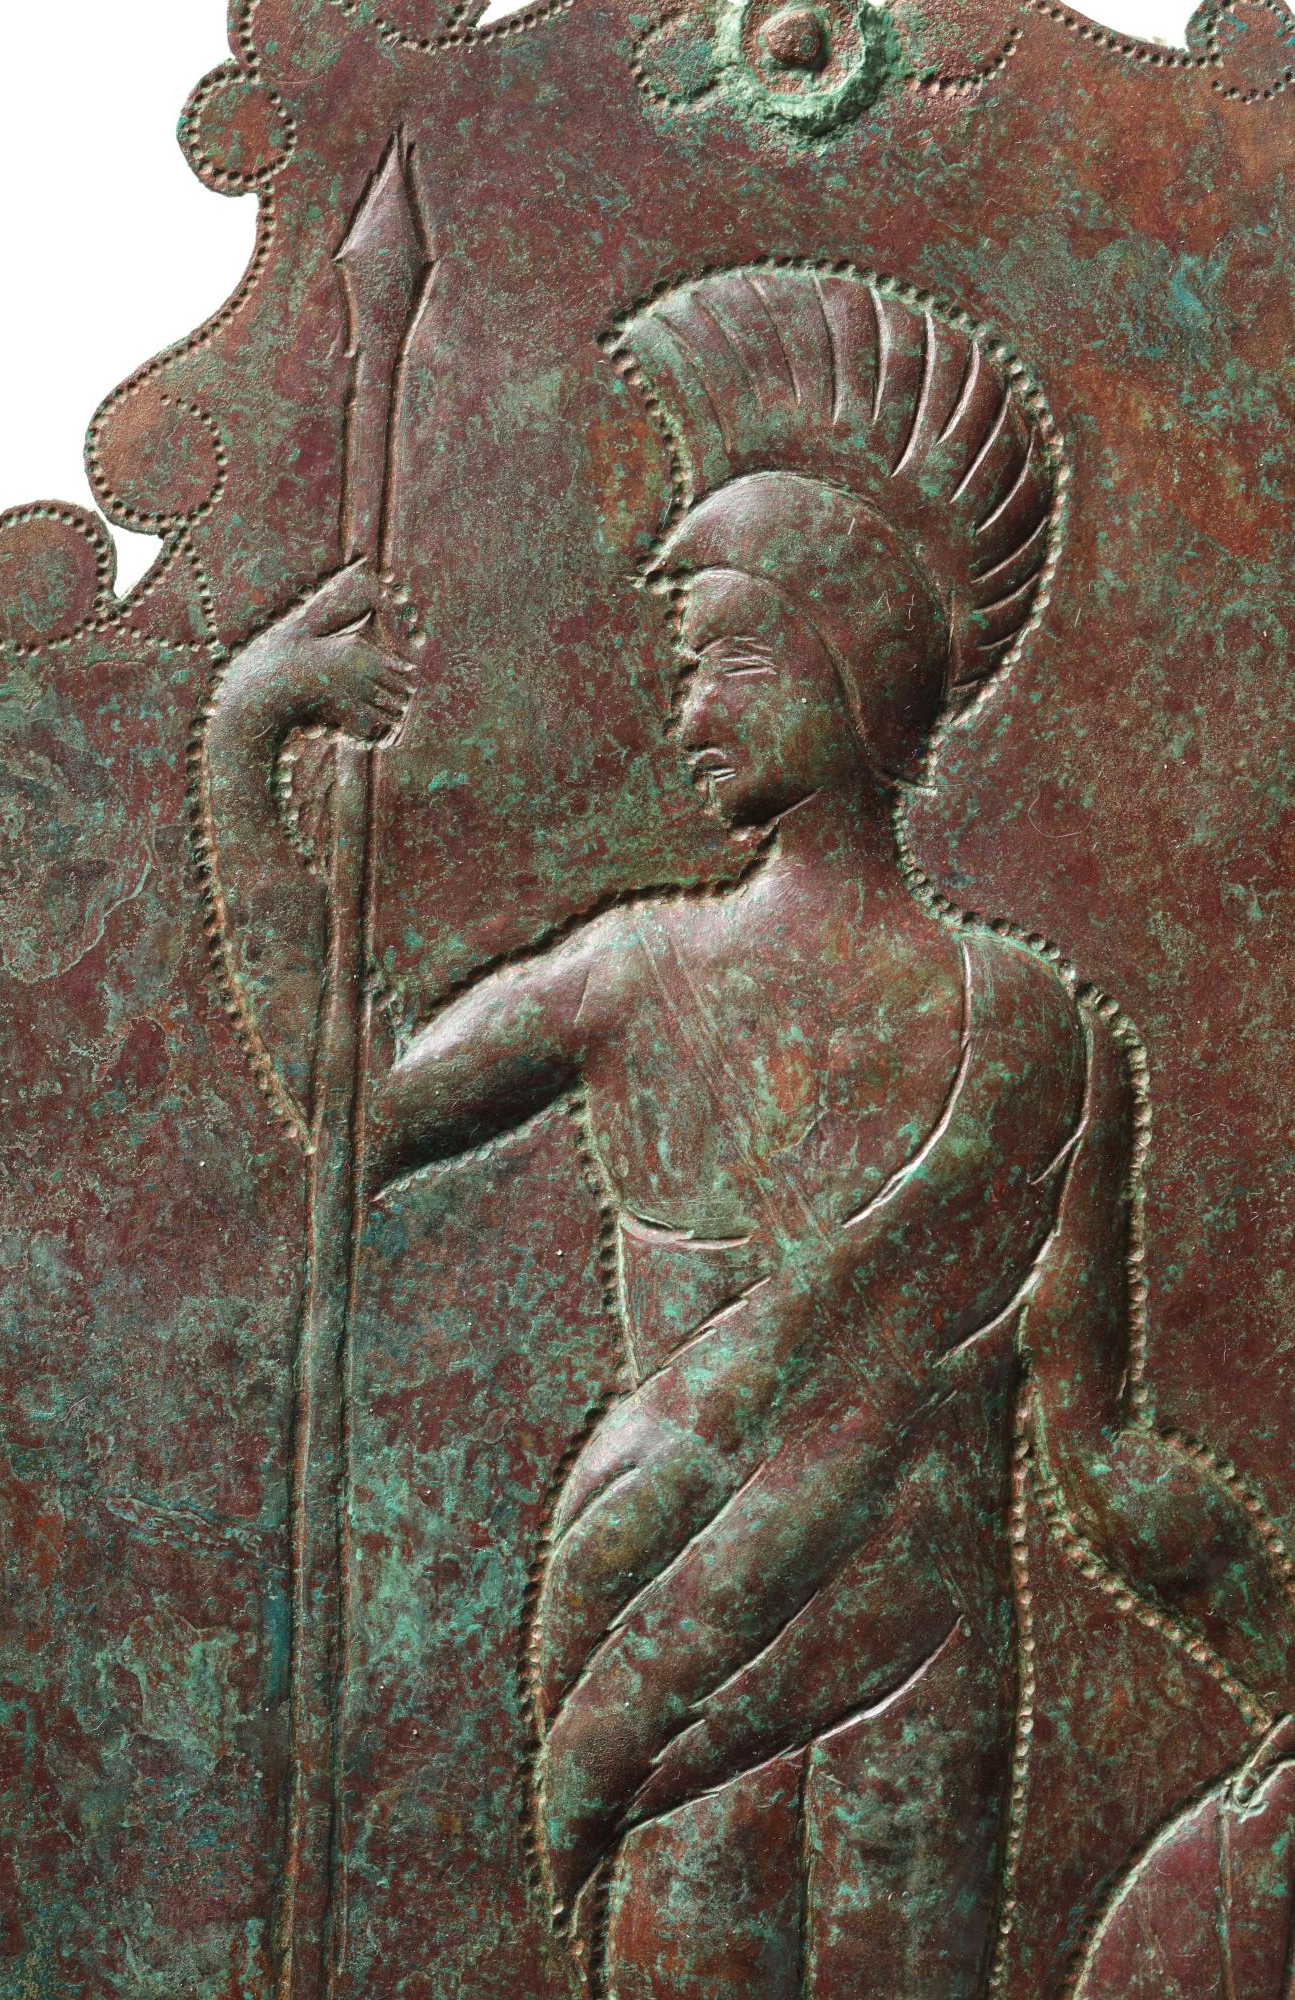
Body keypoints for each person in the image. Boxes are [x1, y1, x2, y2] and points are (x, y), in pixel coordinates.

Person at [202, 266, 1295, 1997]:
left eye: (724, 661)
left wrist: (1270, 1665)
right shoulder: (646, 981)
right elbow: (362, 1117)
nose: (688, 710)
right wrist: (245, 739)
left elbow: (1099, 1459)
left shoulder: (1027, 1037)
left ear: (845, 668)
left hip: (905, 1680)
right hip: (687, 1653)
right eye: (682, 668)